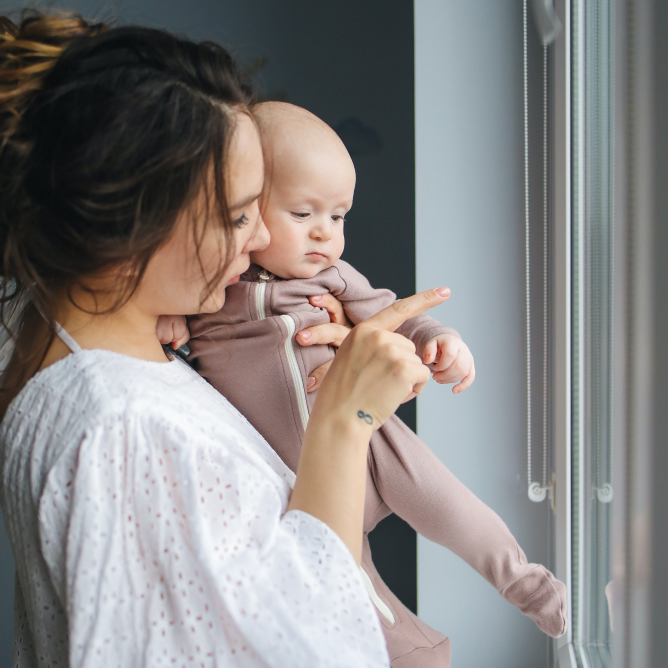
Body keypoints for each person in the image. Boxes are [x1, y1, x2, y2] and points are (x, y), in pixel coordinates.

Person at [0, 11, 448, 667]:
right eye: (239, 215)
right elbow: (305, 651)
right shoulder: (126, 429)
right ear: (135, 227)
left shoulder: (76, 349)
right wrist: (344, 417)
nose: (262, 240)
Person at [164, 102, 568, 667]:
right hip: (300, 474)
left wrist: (437, 338)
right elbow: (176, 324)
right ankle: (415, 653)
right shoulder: (218, 281)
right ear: (248, 208)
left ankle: (527, 582)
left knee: (449, 503)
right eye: (302, 213)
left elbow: (393, 313)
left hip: (369, 440)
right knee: (352, 583)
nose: (325, 233)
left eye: (339, 216)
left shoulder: (334, 278)